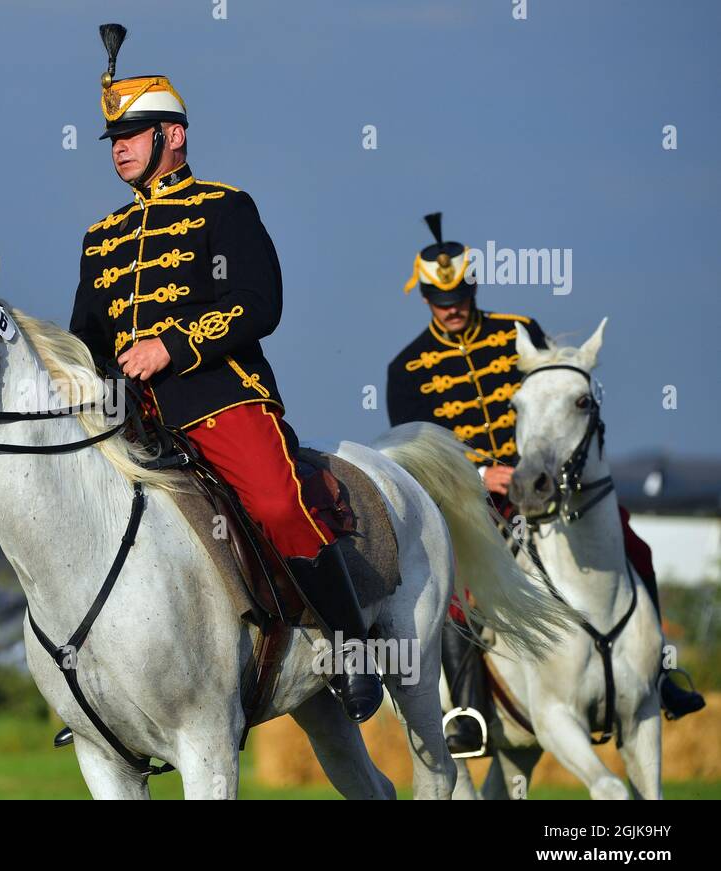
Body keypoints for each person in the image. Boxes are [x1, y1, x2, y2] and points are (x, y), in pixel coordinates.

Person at [65, 24, 384, 745]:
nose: (118, 145)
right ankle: (98, 688)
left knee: (276, 500)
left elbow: (258, 304)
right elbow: (86, 334)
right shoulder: (101, 237)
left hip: (217, 396)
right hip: (130, 417)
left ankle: (353, 643)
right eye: (112, 135)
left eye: (134, 131)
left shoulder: (223, 206)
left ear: (173, 134)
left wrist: (171, 345)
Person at [386, 213, 704, 754]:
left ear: (474, 286)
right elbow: (417, 458)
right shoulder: (408, 368)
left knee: (633, 541)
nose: (454, 307)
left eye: (461, 293)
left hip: (544, 488)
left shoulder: (520, 331)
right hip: (470, 504)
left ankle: (660, 675)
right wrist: (485, 474)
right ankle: (466, 711)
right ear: (425, 300)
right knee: (458, 589)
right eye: (442, 300)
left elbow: (558, 402)